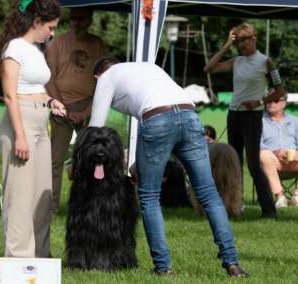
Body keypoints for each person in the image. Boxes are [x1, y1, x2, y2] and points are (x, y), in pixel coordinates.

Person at [89, 57, 248, 277]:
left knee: (149, 196)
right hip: (190, 116)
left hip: (157, 119)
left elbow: (95, 129)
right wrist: (139, 162)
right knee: (208, 193)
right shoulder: (146, 68)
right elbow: (152, 110)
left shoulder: (106, 78)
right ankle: (233, 263)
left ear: (97, 76)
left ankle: (163, 267)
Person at [0, 0, 66, 258]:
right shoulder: (14, 48)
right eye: (51, 27)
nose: (53, 33)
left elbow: (35, 87)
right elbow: (10, 95)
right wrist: (20, 136)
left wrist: (51, 101)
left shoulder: (37, 49)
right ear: (37, 22)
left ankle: (41, 257)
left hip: (40, 123)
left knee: (43, 196)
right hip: (19, 123)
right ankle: (18, 259)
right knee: (20, 196)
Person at [204, 23, 286, 219]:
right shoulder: (236, 61)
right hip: (234, 114)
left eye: (244, 40)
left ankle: (269, 211)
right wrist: (225, 45)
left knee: (253, 165)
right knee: (234, 163)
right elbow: (208, 68)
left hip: (253, 116)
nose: (242, 45)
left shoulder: (266, 62)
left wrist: (259, 101)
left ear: (254, 38)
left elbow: (280, 91)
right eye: (238, 41)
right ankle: (234, 207)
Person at [45, 8, 106, 214]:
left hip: (88, 106)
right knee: (55, 160)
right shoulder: (57, 43)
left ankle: (90, 206)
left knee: (94, 158)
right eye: (74, 19)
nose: (77, 23)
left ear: (90, 19)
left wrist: (88, 111)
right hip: (61, 109)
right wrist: (60, 106)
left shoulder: (97, 44)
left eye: (82, 18)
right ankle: (51, 207)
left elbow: (103, 81)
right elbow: (49, 78)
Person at [260, 95, 298, 208]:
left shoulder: (295, 121)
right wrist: (275, 152)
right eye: (268, 100)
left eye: (275, 100)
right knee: (263, 154)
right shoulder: (259, 121)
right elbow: (257, 144)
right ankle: (280, 198)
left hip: (294, 161)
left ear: (284, 103)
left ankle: (296, 197)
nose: (271, 103)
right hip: (272, 162)